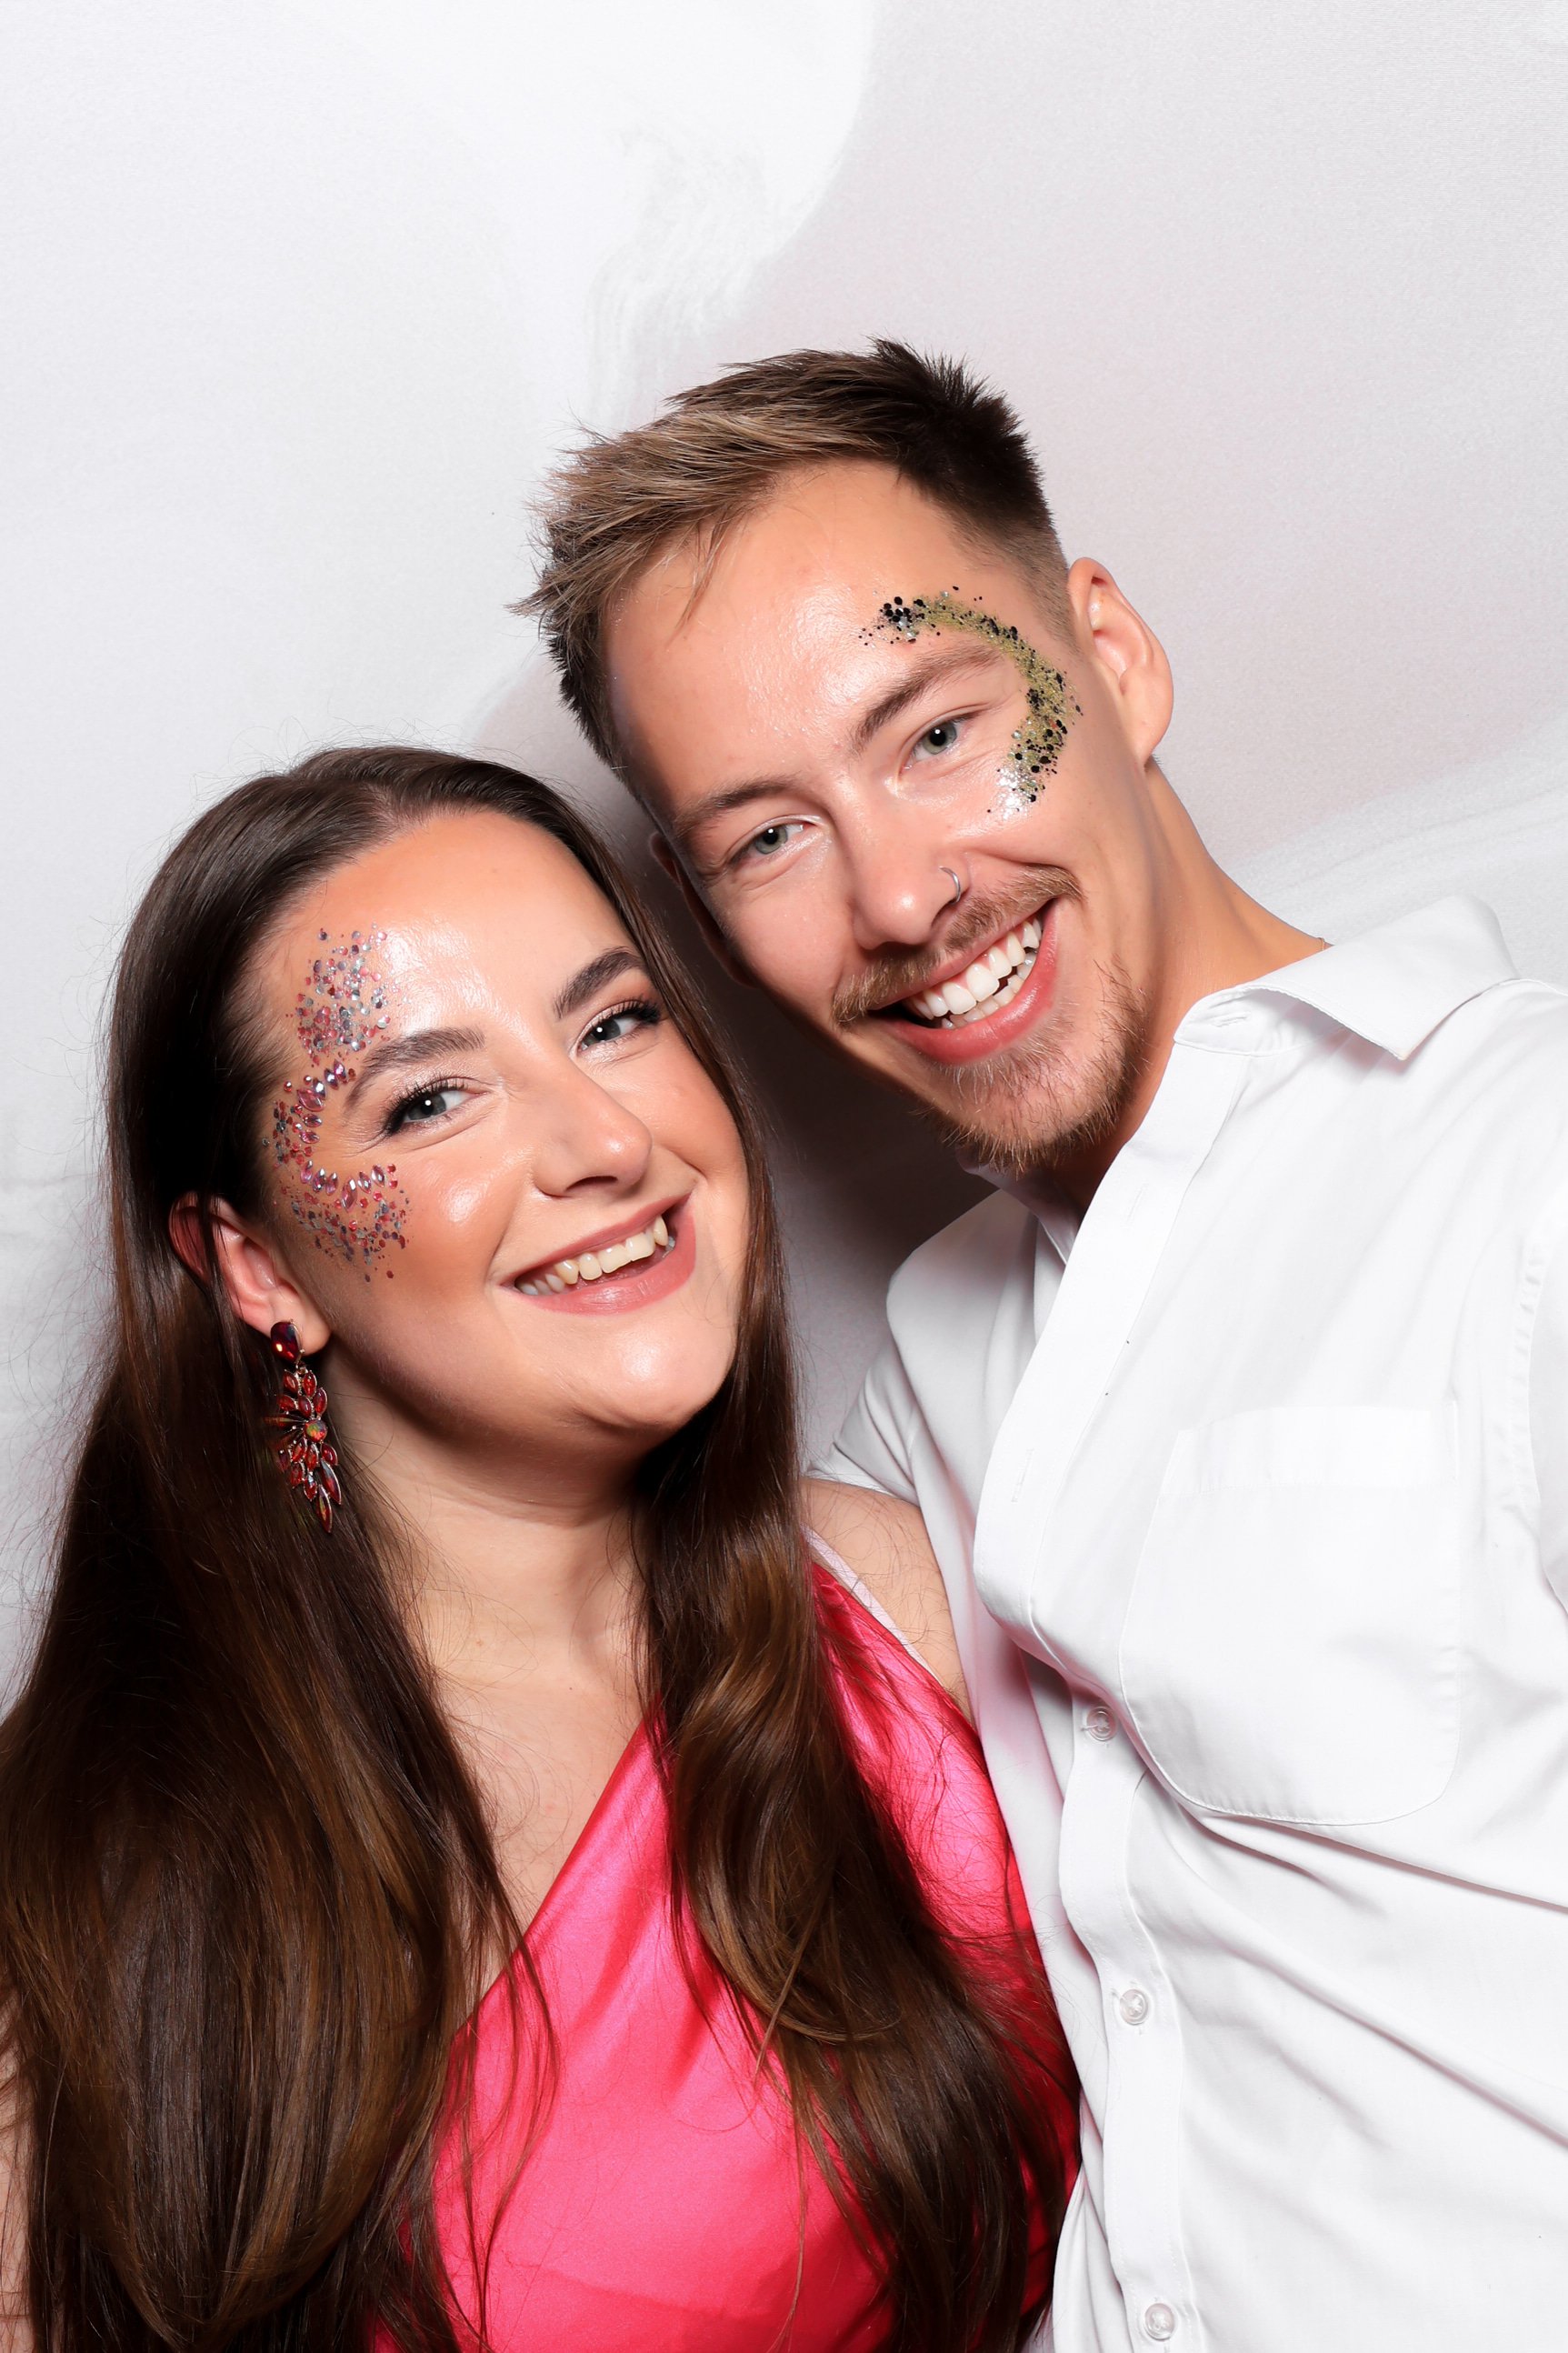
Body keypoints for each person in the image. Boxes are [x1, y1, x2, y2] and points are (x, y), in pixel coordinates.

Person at [524, 341, 1568, 2351]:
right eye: (765, 837)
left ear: (1110, 657)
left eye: (931, 727)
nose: (901, 892)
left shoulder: (1519, 1159)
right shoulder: (939, 1364)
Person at [0, 747, 1076, 2352]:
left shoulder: (929, 1605)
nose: (599, 1141)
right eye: (428, 1098)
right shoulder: (77, 1901)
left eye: (614, 1022)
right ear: (251, 1266)